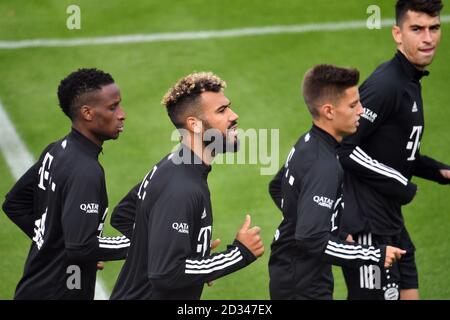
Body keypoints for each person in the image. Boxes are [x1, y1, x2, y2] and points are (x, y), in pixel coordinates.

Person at [110, 72, 264, 300]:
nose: (234, 116)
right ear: (195, 125)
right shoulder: (181, 186)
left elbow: (123, 216)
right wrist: (239, 254)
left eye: (228, 107)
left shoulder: (173, 164)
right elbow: (167, 273)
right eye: (222, 111)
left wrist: (187, 255)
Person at [337, 0, 449, 300]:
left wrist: (440, 171)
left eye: (434, 28)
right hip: (366, 225)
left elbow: (397, 152)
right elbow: (344, 147)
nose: (428, 38)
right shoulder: (387, 84)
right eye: (417, 29)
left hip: (390, 221)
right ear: (398, 34)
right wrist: (400, 183)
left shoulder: (410, 81)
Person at [268, 64, 406, 300]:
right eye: (353, 105)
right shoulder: (325, 165)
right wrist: (374, 254)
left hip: (291, 273)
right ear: (329, 111)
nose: (361, 111)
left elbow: (277, 186)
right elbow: (311, 238)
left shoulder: (308, 143)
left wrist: (335, 230)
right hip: (302, 286)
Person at [2, 68, 130, 299]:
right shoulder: (86, 171)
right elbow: (81, 247)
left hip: (34, 288)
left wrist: (55, 245)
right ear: (88, 113)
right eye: (113, 107)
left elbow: (15, 204)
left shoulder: (57, 150)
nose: (122, 114)